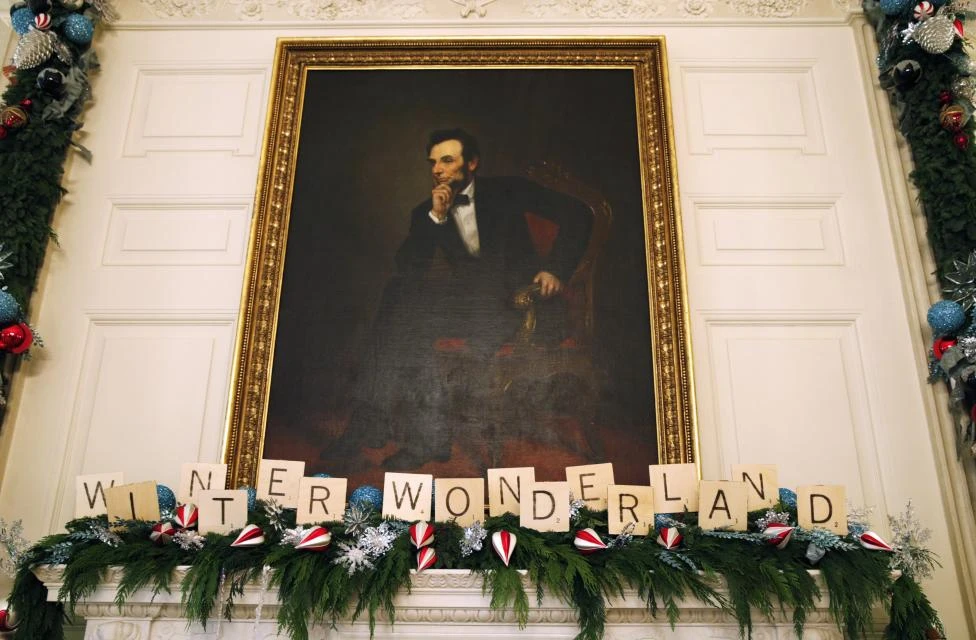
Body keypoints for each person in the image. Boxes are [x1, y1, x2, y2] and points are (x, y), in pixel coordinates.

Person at [332, 128, 592, 471]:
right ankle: (402, 430)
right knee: (400, 297)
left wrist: (554, 269)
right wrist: (436, 218)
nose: (437, 170)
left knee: (408, 320)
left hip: (522, 305)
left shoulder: (509, 189)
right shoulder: (426, 211)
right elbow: (409, 269)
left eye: (447, 160)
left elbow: (580, 214)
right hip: (473, 308)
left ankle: (396, 430)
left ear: (472, 163)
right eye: (433, 163)